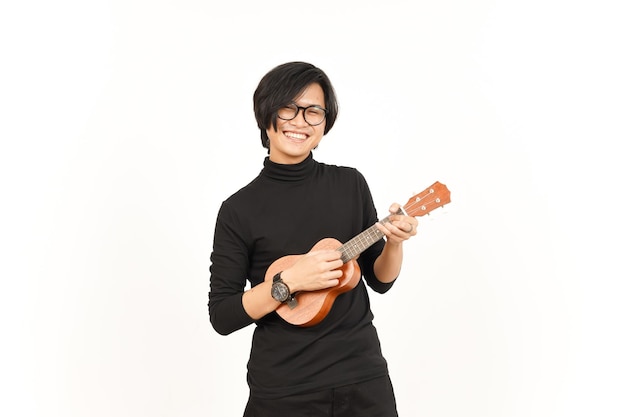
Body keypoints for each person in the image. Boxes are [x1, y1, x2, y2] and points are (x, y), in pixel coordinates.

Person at [208, 61, 418, 417]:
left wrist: (395, 242)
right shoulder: (238, 209)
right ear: (266, 114)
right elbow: (223, 316)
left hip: (363, 381)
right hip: (283, 392)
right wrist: (289, 281)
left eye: (313, 111)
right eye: (288, 108)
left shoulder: (350, 184)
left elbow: (380, 280)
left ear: (325, 122)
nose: (300, 121)